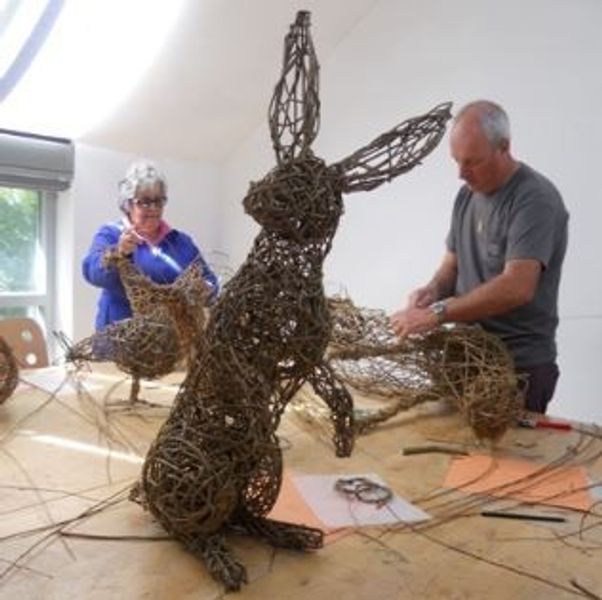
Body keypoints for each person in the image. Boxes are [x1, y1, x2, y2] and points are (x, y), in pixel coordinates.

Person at [390, 100, 569, 414]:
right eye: (456, 161)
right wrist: (431, 292)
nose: (461, 173)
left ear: (504, 147)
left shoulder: (534, 200)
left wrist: (438, 313)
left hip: (518, 369)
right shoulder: (466, 195)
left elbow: (518, 287)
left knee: (504, 463)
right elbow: (451, 265)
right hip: (466, 358)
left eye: (472, 161)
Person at [83, 160, 219, 330]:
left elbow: (210, 282)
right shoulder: (111, 234)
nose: (153, 208)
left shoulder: (181, 241)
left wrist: (206, 289)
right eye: (145, 202)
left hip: (171, 342)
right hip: (119, 340)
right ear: (128, 204)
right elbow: (93, 273)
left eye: (159, 201)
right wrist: (119, 252)